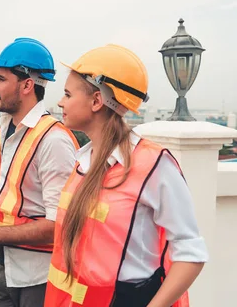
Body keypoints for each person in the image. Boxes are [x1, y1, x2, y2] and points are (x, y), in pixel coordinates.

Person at [44, 44, 208, 307]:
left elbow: (191, 252)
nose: (60, 102)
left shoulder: (154, 164)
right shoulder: (84, 161)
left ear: (97, 101)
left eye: (67, 94)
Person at [0, 38, 78, 307]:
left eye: (0, 78)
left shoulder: (53, 141)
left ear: (26, 85)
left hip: (38, 275)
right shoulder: (4, 125)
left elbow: (58, 226)